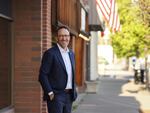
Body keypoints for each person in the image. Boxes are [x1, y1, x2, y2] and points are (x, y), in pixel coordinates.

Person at [38, 26, 77, 113]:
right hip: (56, 96)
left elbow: (71, 73)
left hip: (69, 96)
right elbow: (42, 75)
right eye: (61, 36)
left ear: (69, 38)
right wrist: (50, 92)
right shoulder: (50, 53)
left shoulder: (71, 53)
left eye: (66, 36)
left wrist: (75, 90)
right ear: (57, 38)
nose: (64, 38)